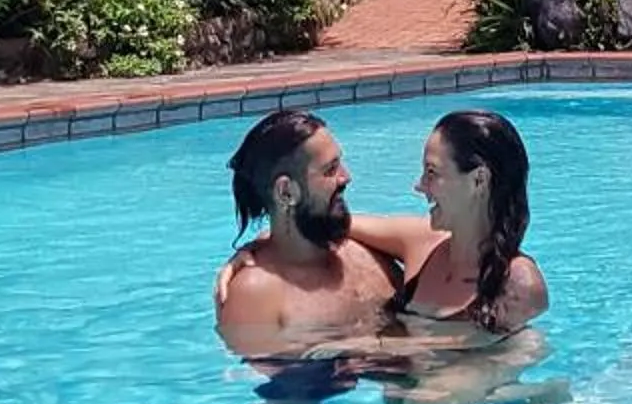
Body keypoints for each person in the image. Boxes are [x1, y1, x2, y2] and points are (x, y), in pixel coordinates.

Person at [213, 108, 403, 376]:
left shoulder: (369, 252)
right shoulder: (256, 295)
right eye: (331, 169)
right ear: (286, 191)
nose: (346, 177)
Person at [349, 110, 548, 336]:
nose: (419, 185)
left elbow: (496, 363)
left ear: (479, 180)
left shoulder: (518, 283)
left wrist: (356, 349)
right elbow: (336, 223)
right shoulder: (420, 241)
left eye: (431, 173)